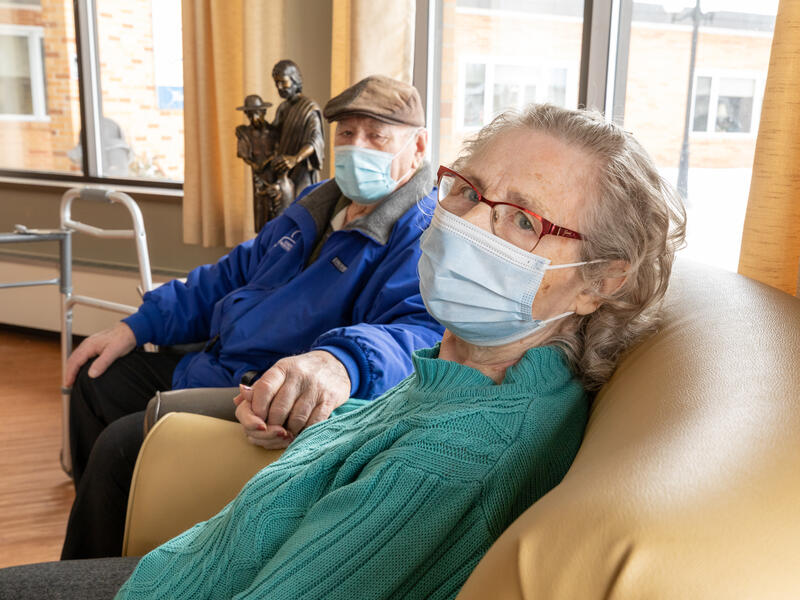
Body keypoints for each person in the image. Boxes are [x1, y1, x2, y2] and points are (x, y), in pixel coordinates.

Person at [0, 103, 685, 599]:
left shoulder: (453, 460)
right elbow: (230, 276)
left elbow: (401, 343)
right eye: (466, 190)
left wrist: (339, 363)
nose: (470, 224)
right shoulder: (468, 365)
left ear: (601, 281)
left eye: (523, 219)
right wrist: (320, 430)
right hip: (201, 545)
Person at [60, 75, 444, 560]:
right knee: (96, 379)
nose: (356, 146)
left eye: (376, 136)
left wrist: (342, 361)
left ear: (418, 147)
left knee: (121, 448)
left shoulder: (421, 233)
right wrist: (135, 326)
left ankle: (101, 569)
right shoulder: (317, 204)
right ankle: (113, 538)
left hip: (262, 395)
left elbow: (418, 334)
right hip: (215, 362)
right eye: (347, 133)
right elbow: (228, 276)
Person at [267, 59, 325, 199]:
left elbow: (315, 140)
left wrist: (295, 158)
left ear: (295, 80)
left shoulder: (309, 108)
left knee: (300, 204)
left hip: (302, 170)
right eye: (276, 83)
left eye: (283, 82)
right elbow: (273, 134)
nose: (279, 87)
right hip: (283, 170)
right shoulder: (283, 108)